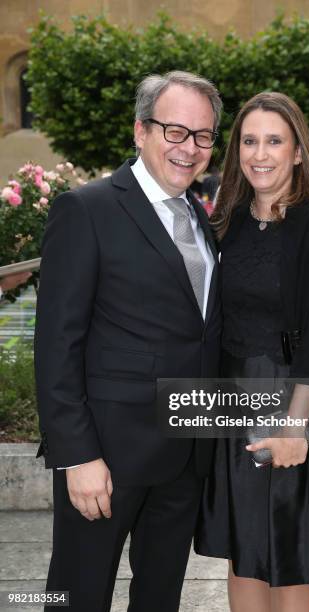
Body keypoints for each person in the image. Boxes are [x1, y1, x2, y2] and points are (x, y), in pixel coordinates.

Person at [34, 70, 222, 612]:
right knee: (76, 597)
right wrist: (78, 456)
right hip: (108, 459)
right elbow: (57, 344)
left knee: (159, 597)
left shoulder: (198, 215)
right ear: (141, 131)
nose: (189, 148)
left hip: (185, 456)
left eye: (203, 135)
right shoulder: (86, 209)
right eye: (174, 131)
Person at [194, 92, 309, 612]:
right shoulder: (225, 221)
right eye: (249, 141)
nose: (260, 153)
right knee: (244, 551)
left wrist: (297, 425)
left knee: (290, 556)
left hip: (294, 400)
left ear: (298, 151)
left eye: (274, 141)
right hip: (232, 406)